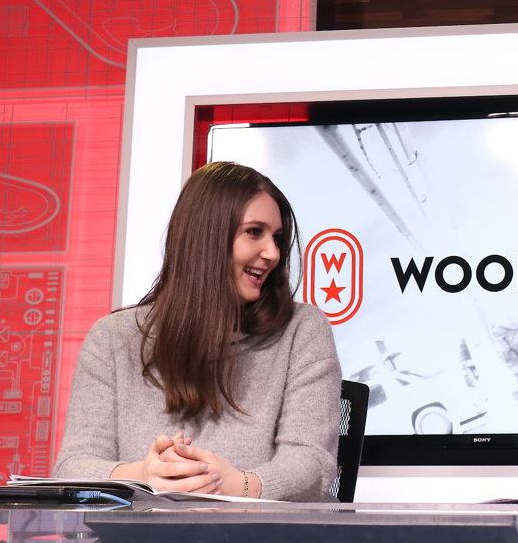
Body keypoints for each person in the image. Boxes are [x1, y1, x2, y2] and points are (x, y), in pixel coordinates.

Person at [55, 161, 341, 501]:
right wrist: (143, 477)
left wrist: (236, 485)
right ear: (207, 238)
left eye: (277, 238)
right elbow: (72, 467)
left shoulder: (302, 331)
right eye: (254, 232)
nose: (273, 253)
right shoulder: (114, 338)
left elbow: (312, 466)